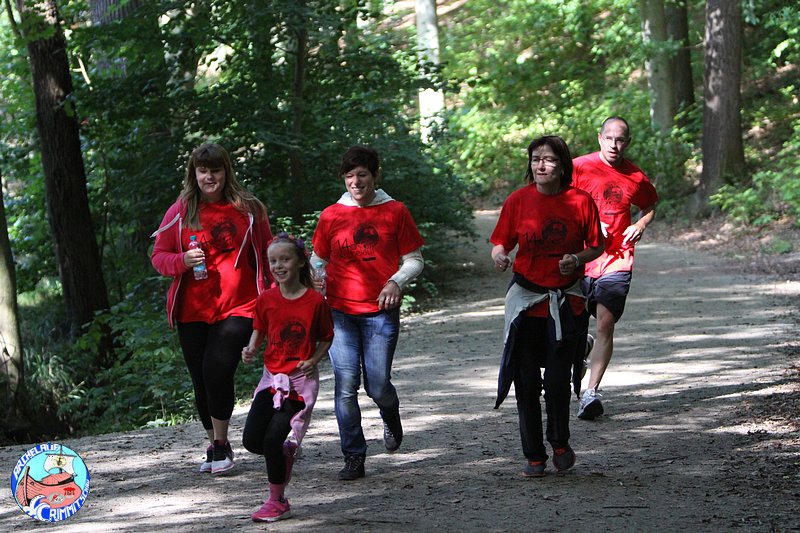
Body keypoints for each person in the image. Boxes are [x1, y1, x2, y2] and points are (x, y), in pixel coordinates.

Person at [150, 143, 272, 474]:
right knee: (200, 379)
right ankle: (216, 444)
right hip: (192, 310)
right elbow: (159, 257)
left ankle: (220, 444)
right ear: (194, 174)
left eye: (215, 170)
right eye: (202, 171)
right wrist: (182, 260)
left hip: (240, 306)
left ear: (226, 172)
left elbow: (268, 254)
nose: (209, 177)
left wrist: (278, 298)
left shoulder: (249, 209)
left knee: (216, 370)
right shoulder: (180, 211)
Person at [491, 135, 603, 477]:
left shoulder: (580, 201)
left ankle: (559, 441)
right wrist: (500, 255)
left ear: (562, 165)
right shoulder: (518, 200)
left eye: (549, 159)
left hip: (565, 302)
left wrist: (576, 258)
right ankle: (534, 455)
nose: (541, 165)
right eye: (536, 159)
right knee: (525, 380)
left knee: (556, 381)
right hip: (526, 302)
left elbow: (596, 246)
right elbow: (500, 241)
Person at [311, 145, 425, 480]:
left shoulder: (395, 211)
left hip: (380, 312)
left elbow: (414, 260)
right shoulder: (331, 215)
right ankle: (354, 456)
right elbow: (318, 259)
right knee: (346, 385)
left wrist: (395, 282)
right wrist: (315, 277)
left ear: (376, 175)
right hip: (339, 312)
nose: (355, 182)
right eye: (349, 176)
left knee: (377, 386)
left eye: (362, 175)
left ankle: (390, 414)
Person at [241, 233, 334, 522]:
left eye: (285, 259)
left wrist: (313, 360)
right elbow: (260, 327)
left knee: (272, 440)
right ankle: (285, 454)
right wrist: (251, 348)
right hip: (271, 379)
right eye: (273, 261)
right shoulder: (266, 299)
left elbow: (326, 337)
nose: (278, 266)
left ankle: (277, 501)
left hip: (298, 383)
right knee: (252, 441)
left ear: (300, 262)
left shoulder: (315, 301)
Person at [572, 116, 659, 420]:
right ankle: (581, 346)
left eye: (620, 139)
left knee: (605, 324)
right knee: (571, 328)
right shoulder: (578, 167)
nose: (614, 144)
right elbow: (558, 202)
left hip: (617, 258)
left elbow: (650, 206)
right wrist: (588, 224)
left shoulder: (635, 176)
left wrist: (640, 224)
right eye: (609, 138)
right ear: (599, 138)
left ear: (627, 142)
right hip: (579, 258)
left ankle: (590, 393)